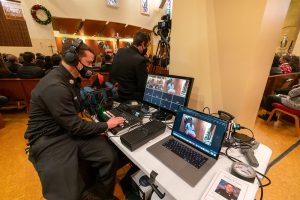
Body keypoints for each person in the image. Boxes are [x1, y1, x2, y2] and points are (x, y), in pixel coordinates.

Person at [25, 39, 125, 200]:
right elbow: (75, 126)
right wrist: (105, 125)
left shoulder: (70, 79)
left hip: (66, 131)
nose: (91, 67)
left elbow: (75, 112)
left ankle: (101, 195)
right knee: (68, 194)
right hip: (49, 138)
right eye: (89, 62)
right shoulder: (55, 86)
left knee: (108, 156)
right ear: (73, 59)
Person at [110, 31, 150, 101]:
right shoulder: (140, 60)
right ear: (143, 44)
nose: (146, 48)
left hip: (114, 95)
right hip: (130, 100)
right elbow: (143, 86)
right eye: (147, 46)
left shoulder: (120, 51)